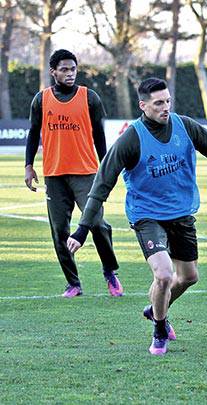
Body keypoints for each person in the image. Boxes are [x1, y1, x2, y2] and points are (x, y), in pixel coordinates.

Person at [66, 78, 207, 355]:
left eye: (168, 101)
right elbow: (101, 185)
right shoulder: (131, 138)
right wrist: (81, 229)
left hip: (181, 212)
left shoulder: (184, 125)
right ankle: (160, 329)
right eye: (159, 103)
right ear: (143, 105)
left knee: (188, 277)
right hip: (147, 215)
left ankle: (155, 309)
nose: (166, 108)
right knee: (163, 275)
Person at [24, 49, 122, 298]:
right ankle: (73, 283)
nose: (69, 74)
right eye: (64, 69)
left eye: (73, 69)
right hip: (54, 176)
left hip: (86, 173)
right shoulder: (41, 100)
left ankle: (110, 272)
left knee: (98, 224)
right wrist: (28, 165)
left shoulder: (90, 98)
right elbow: (33, 133)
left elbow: (100, 135)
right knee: (59, 231)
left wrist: (106, 167)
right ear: (53, 71)